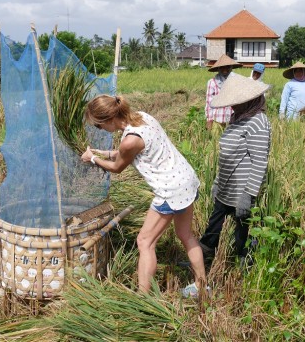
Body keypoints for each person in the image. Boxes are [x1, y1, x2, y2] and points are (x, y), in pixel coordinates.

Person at [81, 95, 208, 298]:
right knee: (186, 235)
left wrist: (93, 158)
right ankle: (202, 287)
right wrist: (103, 152)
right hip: (186, 180)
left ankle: (142, 298)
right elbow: (135, 151)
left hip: (170, 190)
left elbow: (117, 167)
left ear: (108, 119)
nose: (101, 129)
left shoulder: (130, 141)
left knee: (145, 242)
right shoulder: (142, 117)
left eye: (98, 126)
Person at [198, 74, 272, 268]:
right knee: (213, 227)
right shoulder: (237, 117)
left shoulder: (258, 122)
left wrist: (248, 195)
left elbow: (259, 162)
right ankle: (201, 260)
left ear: (250, 101)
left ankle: (243, 269)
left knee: (242, 233)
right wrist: (216, 182)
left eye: (236, 103)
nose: (232, 106)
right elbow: (227, 154)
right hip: (226, 186)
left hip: (242, 189)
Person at [205, 54, 242, 130]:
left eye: (228, 66)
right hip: (217, 120)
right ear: (218, 68)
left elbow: (240, 100)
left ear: (231, 68)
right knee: (215, 141)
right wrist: (209, 120)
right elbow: (209, 103)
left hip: (232, 120)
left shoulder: (236, 81)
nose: (225, 69)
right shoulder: (212, 82)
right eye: (222, 67)